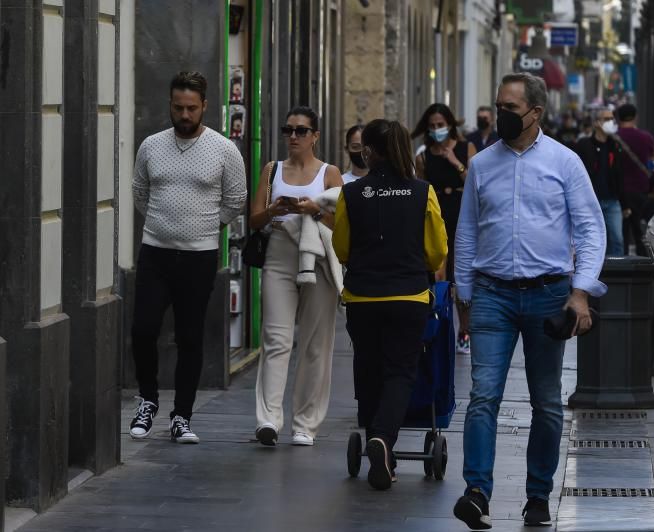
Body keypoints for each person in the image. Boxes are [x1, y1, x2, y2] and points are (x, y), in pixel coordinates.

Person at [452, 72, 607, 530]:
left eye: (509, 108)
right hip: (492, 294)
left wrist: (580, 292)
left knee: (546, 401)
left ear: (535, 113)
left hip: (548, 295)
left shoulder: (565, 163)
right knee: (482, 396)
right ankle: (476, 491)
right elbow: (467, 231)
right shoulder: (481, 165)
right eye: (497, 105)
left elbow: (591, 229)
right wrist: (464, 294)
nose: (500, 114)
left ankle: (538, 494)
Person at [130, 71, 247, 443]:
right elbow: (139, 191)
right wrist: (162, 224)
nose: (184, 114)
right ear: (170, 104)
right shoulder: (151, 145)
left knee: (190, 337)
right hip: (155, 253)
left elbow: (236, 199)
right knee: (142, 330)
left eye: (191, 108)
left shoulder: (224, 149)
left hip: (199, 257)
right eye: (178, 107)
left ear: (205, 107)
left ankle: (182, 415)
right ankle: (147, 400)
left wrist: (208, 227)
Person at [333, 119, 448, 490]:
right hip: (408, 296)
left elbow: (342, 247)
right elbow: (437, 251)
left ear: (370, 151)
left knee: (368, 368)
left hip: (363, 296)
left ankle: (374, 439)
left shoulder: (352, 193)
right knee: (401, 370)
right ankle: (383, 438)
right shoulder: (422, 191)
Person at [249, 106, 344, 447]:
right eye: (288, 130)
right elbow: (254, 220)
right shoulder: (272, 170)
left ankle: (305, 423)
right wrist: (273, 210)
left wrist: (314, 210)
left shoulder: (330, 173)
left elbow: (344, 225)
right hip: (279, 254)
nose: (293, 137)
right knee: (276, 339)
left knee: (316, 344)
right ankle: (268, 419)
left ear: (315, 136)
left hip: (317, 258)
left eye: (301, 131)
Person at [412, 103, 476, 355]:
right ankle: (439, 325)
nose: (437, 130)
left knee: (462, 277)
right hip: (436, 216)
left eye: (441, 125)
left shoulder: (465, 148)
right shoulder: (424, 155)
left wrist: (454, 160)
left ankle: (465, 331)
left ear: (449, 124)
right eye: (432, 126)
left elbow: (473, 181)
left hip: (461, 213)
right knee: (439, 276)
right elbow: (421, 188)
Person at [575, 107, 626, 256]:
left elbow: (620, 174)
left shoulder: (615, 145)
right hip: (591, 201)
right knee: (592, 240)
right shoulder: (585, 145)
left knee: (617, 239)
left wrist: (624, 202)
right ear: (597, 123)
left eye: (612, 119)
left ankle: (617, 272)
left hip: (612, 200)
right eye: (607, 119)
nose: (611, 122)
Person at [616, 103, 654, 256]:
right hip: (641, 189)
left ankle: (622, 262)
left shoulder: (614, 137)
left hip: (619, 191)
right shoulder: (645, 137)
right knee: (640, 231)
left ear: (618, 118)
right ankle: (642, 263)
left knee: (621, 233)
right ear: (635, 117)